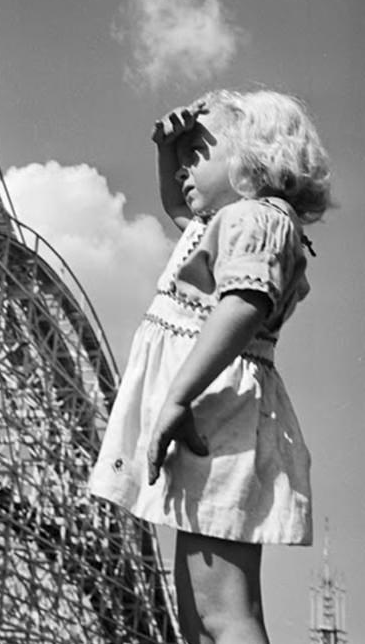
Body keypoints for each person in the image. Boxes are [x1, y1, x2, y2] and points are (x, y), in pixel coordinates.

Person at [88, 89, 332, 644]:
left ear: (255, 160)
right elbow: (184, 213)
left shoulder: (255, 218)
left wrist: (177, 397)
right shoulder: (227, 220)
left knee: (225, 612)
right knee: (200, 613)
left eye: (199, 150)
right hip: (210, 418)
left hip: (213, 415)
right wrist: (167, 152)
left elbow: (245, 303)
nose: (184, 167)